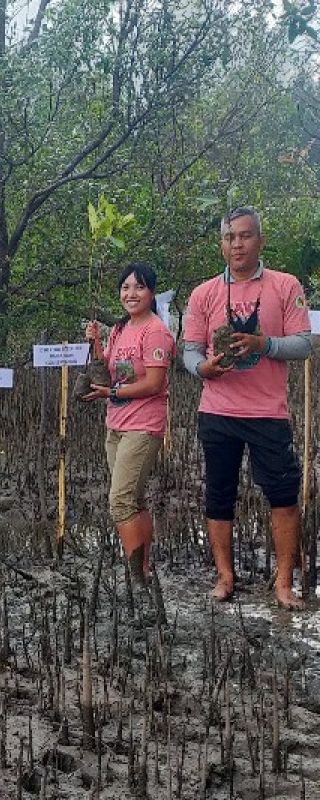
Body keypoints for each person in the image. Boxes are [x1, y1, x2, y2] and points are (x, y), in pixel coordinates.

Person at [182, 207, 312, 609]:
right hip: (217, 411)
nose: (236, 244)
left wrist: (264, 345)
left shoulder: (286, 286)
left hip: (267, 413)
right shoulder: (203, 293)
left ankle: (283, 583)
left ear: (260, 240)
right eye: (229, 237)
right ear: (221, 243)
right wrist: (202, 368)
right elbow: (188, 352)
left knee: (283, 495)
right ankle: (225, 576)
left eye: (245, 235)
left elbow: (304, 344)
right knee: (218, 496)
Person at [83, 263, 175, 584]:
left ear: (151, 292)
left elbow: (153, 383)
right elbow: (108, 369)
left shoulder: (156, 332)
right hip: (116, 423)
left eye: (139, 287)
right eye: (125, 287)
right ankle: (144, 567)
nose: (130, 293)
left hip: (143, 425)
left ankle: (137, 575)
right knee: (133, 500)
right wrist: (96, 343)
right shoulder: (120, 329)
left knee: (119, 501)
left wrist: (113, 391)